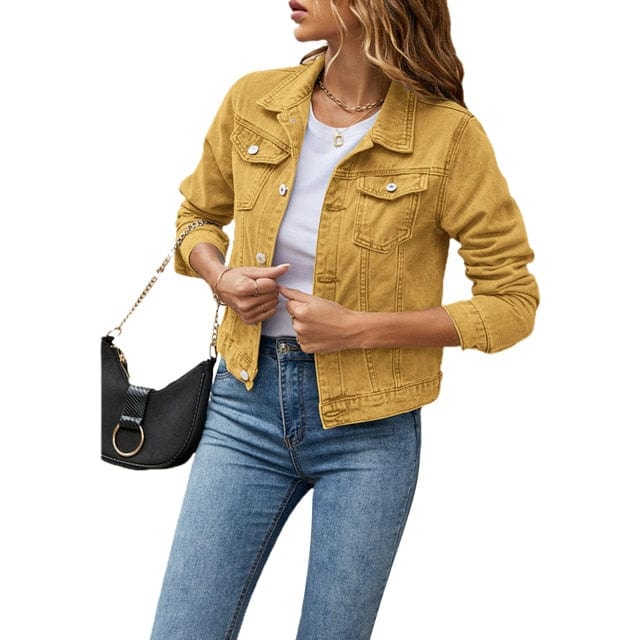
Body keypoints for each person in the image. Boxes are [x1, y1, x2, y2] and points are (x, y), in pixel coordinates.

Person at [150, 0, 539, 638]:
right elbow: (196, 216)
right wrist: (221, 278)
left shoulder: (448, 136)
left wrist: (359, 329)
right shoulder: (255, 100)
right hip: (242, 405)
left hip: (371, 428)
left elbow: (512, 301)